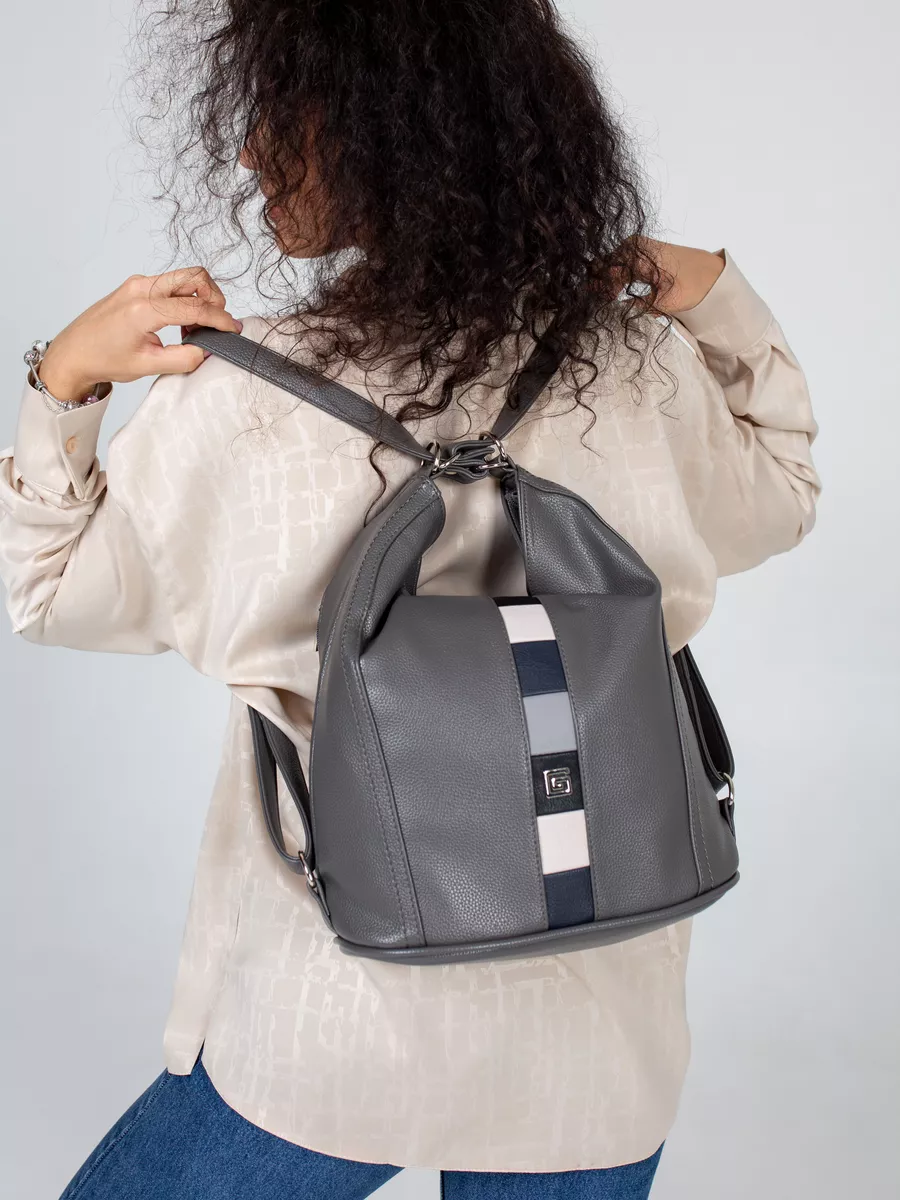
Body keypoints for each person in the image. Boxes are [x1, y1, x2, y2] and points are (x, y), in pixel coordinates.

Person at [0, 2, 820, 1197]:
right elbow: (783, 494)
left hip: (339, 1020)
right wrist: (718, 300)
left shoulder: (242, 399)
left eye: (282, 109)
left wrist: (63, 379)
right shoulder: (639, 367)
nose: (250, 150)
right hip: (596, 1037)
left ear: (381, 130)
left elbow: (46, 591)